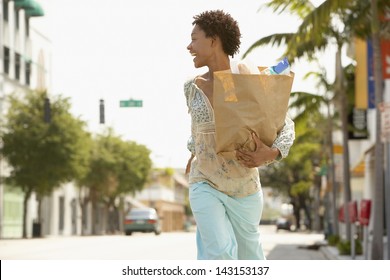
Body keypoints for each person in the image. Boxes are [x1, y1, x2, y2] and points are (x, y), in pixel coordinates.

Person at [184, 10, 295, 260]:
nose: (189, 45)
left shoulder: (246, 78)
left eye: (194, 38)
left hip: (244, 185)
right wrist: (193, 152)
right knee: (219, 251)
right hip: (204, 180)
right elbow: (197, 129)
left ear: (213, 41)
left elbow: (285, 125)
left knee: (250, 258)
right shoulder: (191, 87)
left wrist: (272, 153)